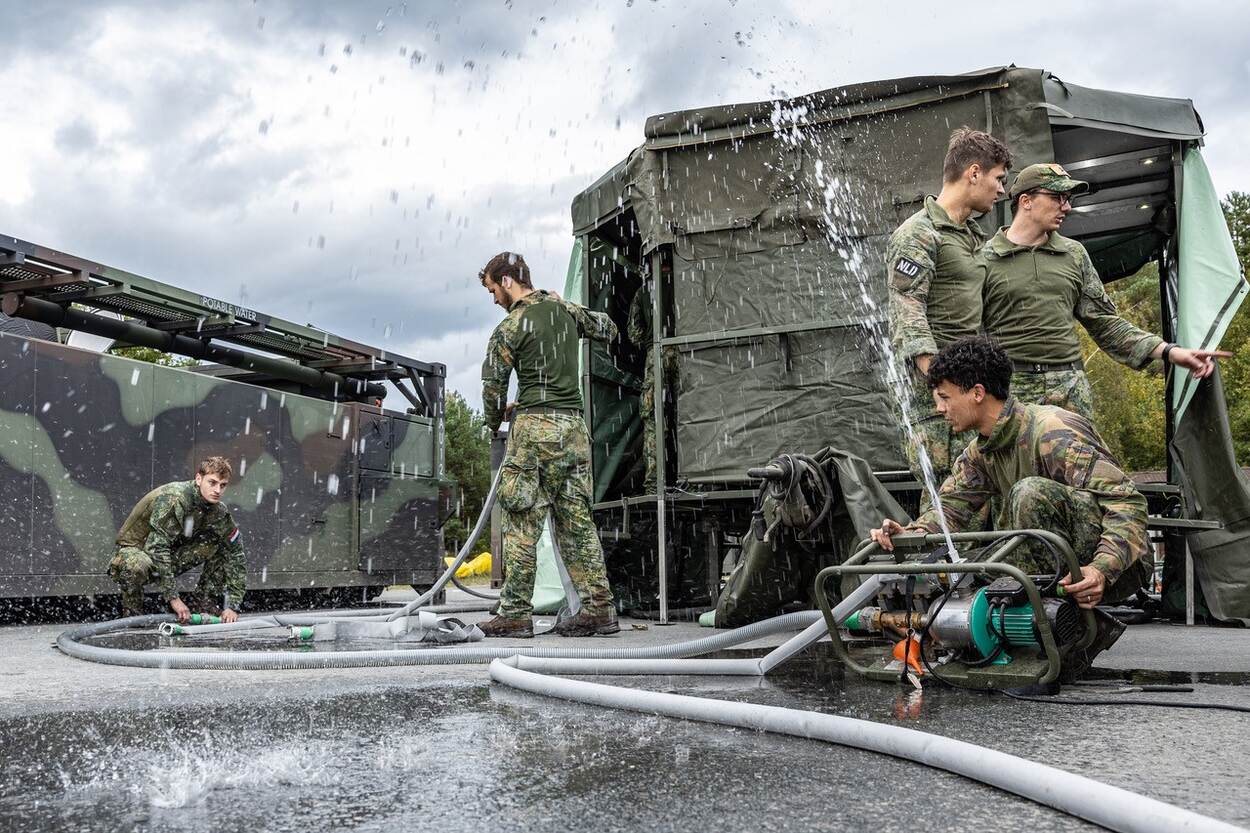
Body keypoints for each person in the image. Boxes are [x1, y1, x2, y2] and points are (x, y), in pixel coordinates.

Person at [870, 336, 1151, 609]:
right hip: (1058, 558)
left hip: (1118, 568)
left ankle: (1058, 622)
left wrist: (1101, 568)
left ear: (977, 393)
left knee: (1029, 492)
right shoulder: (980, 451)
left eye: (945, 397)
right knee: (972, 566)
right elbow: (949, 512)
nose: (939, 408)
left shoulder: (1052, 432)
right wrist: (909, 532)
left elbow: (1128, 503)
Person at [981, 163, 1228, 420]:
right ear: (1026, 201)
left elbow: (1105, 324)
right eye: (1057, 197)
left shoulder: (1073, 255)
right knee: (1012, 462)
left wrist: (1169, 351)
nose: (1066, 206)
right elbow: (965, 333)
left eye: (1068, 199)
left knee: (1080, 461)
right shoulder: (985, 258)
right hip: (1009, 392)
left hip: (1069, 392)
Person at [477, 251, 619, 638]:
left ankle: (516, 613)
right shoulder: (565, 311)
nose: (493, 300)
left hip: (534, 431)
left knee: (522, 521)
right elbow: (609, 328)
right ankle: (599, 608)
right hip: (573, 430)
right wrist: (567, 305)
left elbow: (492, 386)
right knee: (576, 522)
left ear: (507, 281)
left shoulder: (511, 326)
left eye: (492, 289)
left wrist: (494, 421)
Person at [886, 127, 1013, 496]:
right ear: (974, 173)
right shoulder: (919, 234)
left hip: (973, 397)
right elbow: (907, 313)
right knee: (951, 501)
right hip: (937, 406)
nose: (1002, 189)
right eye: (998, 178)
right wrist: (942, 387)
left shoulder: (971, 236)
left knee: (986, 499)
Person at [108, 456, 245, 622]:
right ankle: (132, 612)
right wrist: (173, 598)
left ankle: (203, 601)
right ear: (199, 479)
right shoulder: (175, 498)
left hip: (166, 553)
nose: (217, 490)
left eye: (222, 485)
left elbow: (236, 555)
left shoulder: (219, 512)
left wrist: (233, 606)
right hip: (135, 551)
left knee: (220, 544)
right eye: (212, 482)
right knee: (136, 565)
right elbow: (157, 548)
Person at [627, 277, 679, 495]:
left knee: (653, 421)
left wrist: (649, 342)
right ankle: (691, 477)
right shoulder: (682, 282)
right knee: (688, 413)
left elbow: (633, 332)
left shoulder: (644, 291)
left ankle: (654, 483)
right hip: (686, 351)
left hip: (654, 356)